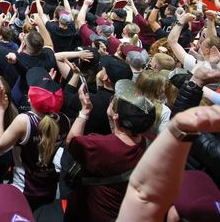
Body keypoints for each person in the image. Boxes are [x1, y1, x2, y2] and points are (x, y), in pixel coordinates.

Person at [64, 80, 156, 222]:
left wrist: (84, 111)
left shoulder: (100, 145)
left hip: (93, 214)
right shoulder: (154, 142)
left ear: (116, 116)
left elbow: (72, 141)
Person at [0, 67, 70, 211]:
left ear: (29, 99)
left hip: (24, 189)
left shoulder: (24, 121)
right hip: (50, 187)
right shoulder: (65, 120)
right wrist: (48, 91)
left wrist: (0, 109)